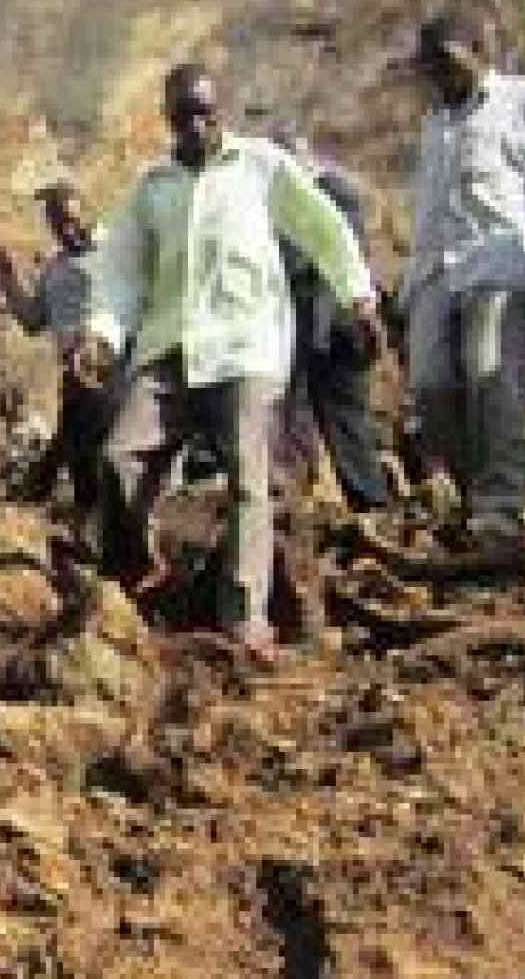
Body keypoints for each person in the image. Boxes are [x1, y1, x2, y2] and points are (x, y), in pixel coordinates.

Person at [81, 63, 381, 662]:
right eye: (184, 115)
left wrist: (357, 294)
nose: (196, 126)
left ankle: (245, 616)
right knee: (119, 455)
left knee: (249, 478)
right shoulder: (151, 189)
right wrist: (100, 334)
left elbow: (322, 227)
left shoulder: (261, 168)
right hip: (172, 350)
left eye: (206, 113)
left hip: (246, 346)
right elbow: (120, 274)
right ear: (167, 119)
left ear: (223, 112)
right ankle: (139, 571)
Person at [404, 11, 525, 541]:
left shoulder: (523, 103)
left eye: (446, 61)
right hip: (435, 273)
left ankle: (501, 502)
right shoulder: (436, 123)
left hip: (497, 263)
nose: (437, 76)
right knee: (429, 385)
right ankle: (473, 493)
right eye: (429, 68)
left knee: (491, 373)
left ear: (477, 50)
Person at [278, 151, 394, 516]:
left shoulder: (310, 199)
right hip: (337, 325)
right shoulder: (338, 193)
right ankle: (369, 507)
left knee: (301, 418)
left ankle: (358, 507)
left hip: (325, 328)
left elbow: (305, 266)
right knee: (344, 425)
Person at [0, 182, 110, 513]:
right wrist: (7, 276)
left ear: (88, 211)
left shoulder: (115, 253)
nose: (67, 231)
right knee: (79, 455)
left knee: (92, 453)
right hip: (72, 378)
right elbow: (31, 320)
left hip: (109, 376)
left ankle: (40, 494)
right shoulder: (54, 269)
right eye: (58, 226)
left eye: (72, 220)